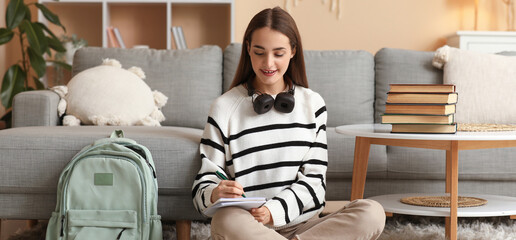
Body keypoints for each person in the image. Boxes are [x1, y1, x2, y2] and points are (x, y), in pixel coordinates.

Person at [192, 6, 385, 240]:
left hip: (305, 227)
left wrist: (272, 211)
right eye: (259, 52)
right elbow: (204, 184)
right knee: (225, 219)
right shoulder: (224, 107)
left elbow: (314, 182)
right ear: (248, 50)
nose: (268, 63)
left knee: (372, 213)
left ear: (293, 51)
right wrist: (215, 193)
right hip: (248, 227)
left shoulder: (313, 104)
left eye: (278, 53)